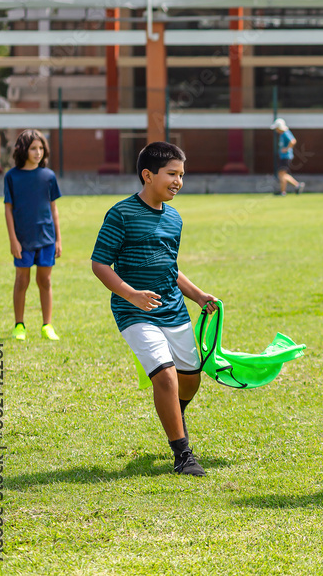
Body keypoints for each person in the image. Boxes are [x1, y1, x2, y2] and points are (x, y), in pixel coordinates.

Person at [91, 142, 219, 477]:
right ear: (148, 175)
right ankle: (182, 454)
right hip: (133, 311)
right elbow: (100, 264)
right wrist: (131, 294)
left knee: (190, 379)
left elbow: (170, 267)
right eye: (172, 174)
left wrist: (198, 295)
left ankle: (173, 413)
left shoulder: (174, 218)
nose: (178, 181)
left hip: (173, 309)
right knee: (165, 376)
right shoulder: (121, 214)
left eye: (182, 175)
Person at [3, 129, 62, 341]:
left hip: (46, 239)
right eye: (33, 148)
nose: (38, 152)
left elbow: (53, 209)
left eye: (41, 148)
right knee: (22, 281)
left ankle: (47, 325)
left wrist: (58, 239)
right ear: (23, 150)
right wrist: (13, 240)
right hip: (23, 240)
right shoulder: (12, 176)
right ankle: (19, 326)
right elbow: (8, 209)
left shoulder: (49, 176)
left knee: (45, 281)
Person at [271, 118, 304, 195]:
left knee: (282, 174)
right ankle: (296, 185)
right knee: (282, 174)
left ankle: (284, 191)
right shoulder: (282, 134)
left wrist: (287, 149)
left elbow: (293, 141)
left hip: (286, 157)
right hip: (283, 157)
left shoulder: (286, 133)